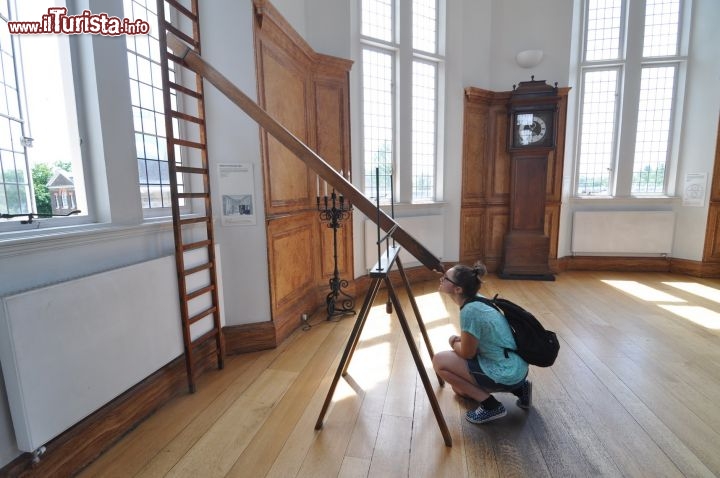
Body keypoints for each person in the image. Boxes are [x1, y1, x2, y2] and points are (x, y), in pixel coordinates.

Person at [432, 261, 532, 424]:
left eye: (446, 278)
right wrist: (462, 342)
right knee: (460, 390)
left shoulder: (470, 311)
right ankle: (521, 389)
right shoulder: (477, 300)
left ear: (458, 289)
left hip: (505, 371)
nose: (441, 279)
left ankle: (491, 406)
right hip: (517, 367)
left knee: (439, 361)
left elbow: (467, 353)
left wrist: (452, 342)